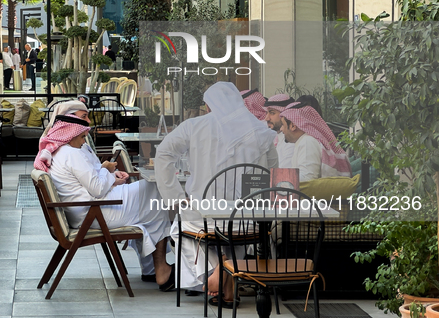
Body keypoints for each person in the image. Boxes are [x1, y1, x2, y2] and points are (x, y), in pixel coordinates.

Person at [155, 82, 278, 301]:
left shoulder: (194, 126)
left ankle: (215, 268)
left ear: (209, 105)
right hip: (246, 218)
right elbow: (270, 172)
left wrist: (175, 196)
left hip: (204, 217)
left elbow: (163, 153)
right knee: (238, 231)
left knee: (179, 228)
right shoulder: (260, 130)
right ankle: (229, 278)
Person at [34, 115, 175, 291]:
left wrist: (109, 176)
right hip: (93, 215)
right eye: (82, 137)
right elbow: (98, 188)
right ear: (69, 135)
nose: (84, 141)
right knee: (154, 192)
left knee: (150, 203)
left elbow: (93, 182)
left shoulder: (60, 152)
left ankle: (152, 269)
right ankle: (159, 269)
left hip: (88, 211)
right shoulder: (71, 154)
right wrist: (108, 173)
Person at [280, 102, 351, 181]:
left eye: (283, 125)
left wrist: (279, 179)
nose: (281, 129)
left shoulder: (307, 142)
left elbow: (307, 178)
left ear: (293, 126)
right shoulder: (304, 140)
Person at [263, 93, 296, 168]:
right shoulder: (278, 137)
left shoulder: (291, 142)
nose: (266, 118)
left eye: (272, 113)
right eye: (266, 113)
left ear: (285, 115)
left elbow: (283, 173)